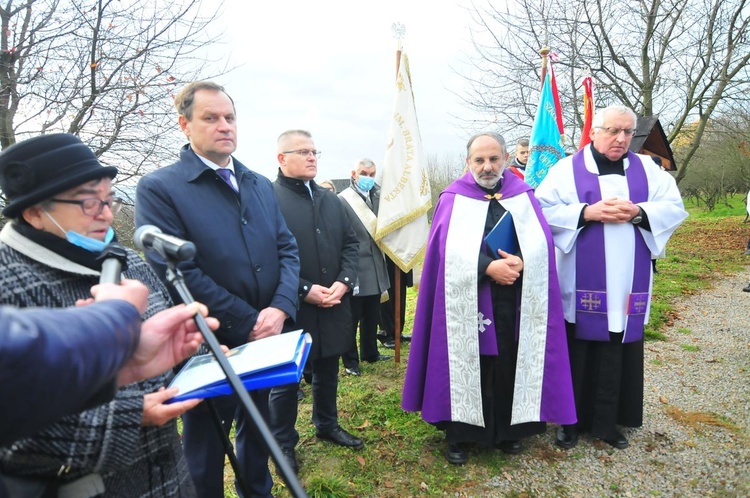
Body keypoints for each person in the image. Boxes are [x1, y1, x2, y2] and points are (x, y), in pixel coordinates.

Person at [0, 133, 200, 496]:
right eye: (90, 203)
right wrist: (131, 415)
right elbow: (12, 428)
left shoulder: (128, 260)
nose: (107, 215)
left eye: (110, 200)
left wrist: (196, 350)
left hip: (173, 480)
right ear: (33, 212)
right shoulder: (6, 280)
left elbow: (162, 347)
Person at [135, 81, 299, 498]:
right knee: (205, 447)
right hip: (211, 342)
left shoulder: (258, 183)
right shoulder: (160, 188)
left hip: (267, 335)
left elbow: (286, 247)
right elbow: (177, 271)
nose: (224, 126)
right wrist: (246, 321)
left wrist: (279, 307)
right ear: (184, 125)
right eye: (210, 118)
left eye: (230, 117)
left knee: (258, 433)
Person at [402, 132, 576, 465]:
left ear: (506, 159)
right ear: (468, 163)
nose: (487, 166)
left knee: (511, 360)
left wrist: (524, 261)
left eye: (494, 159)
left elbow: (540, 244)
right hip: (466, 301)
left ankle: (511, 432)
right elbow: (444, 250)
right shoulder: (453, 198)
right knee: (469, 364)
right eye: (479, 160)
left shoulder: (524, 195)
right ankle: (461, 436)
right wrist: (489, 267)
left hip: (514, 300)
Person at [535, 105, 688, 450]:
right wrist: (586, 213)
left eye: (627, 132)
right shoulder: (565, 170)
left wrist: (639, 212)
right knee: (579, 348)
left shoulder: (647, 169)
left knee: (617, 349)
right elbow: (541, 211)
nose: (620, 139)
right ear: (593, 132)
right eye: (612, 131)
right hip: (580, 279)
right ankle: (568, 423)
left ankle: (607, 422)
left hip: (627, 282)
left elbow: (674, 207)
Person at [1, 280, 212, 447]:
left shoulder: (131, 262)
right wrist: (116, 312)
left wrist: (128, 363)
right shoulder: (7, 275)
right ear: (32, 221)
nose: (107, 221)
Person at [270, 129, 364, 474]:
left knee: (328, 369)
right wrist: (302, 289)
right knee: (285, 380)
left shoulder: (331, 200)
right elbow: (266, 257)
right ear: (282, 158)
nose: (312, 157)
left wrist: (344, 282)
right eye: (303, 151)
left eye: (314, 151)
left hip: (334, 302)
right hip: (293, 306)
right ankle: (282, 444)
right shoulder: (269, 199)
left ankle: (327, 424)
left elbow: (351, 245)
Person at [339, 158, 391, 375]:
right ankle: (350, 362)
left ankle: (370, 353)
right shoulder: (342, 200)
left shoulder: (378, 197)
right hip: (356, 268)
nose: (368, 178)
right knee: (351, 320)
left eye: (372, 174)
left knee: (372, 315)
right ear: (353, 173)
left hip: (376, 266)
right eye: (364, 173)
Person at [377, 256, 413, 349]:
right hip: (384, 253)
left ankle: (397, 332)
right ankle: (386, 333)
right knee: (386, 295)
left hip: (400, 251)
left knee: (400, 288)